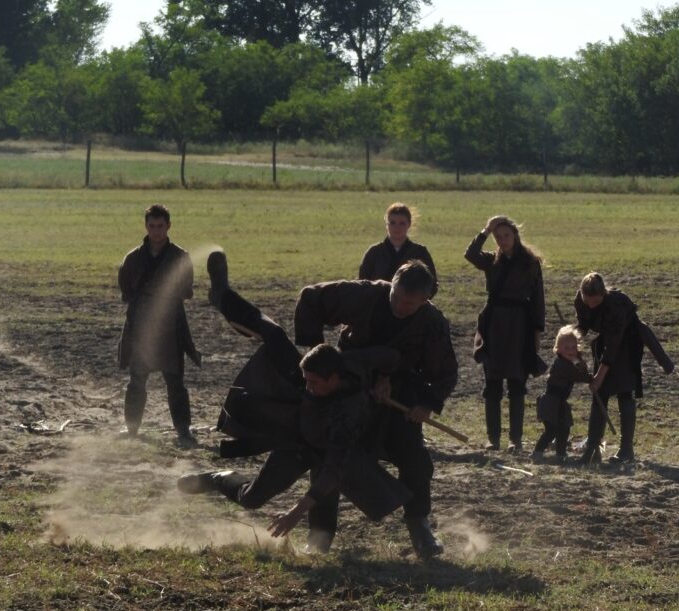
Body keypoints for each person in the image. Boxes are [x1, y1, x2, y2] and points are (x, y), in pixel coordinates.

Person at [177, 250, 409, 541]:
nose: (308, 388)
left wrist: (294, 513)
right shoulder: (328, 370)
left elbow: (333, 472)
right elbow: (390, 358)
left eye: (314, 383)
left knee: (326, 484)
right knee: (251, 498)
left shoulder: (348, 414)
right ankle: (218, 478)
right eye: (306, 380)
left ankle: (319, 541)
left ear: (334, 379)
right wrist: (384, 378)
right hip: (295, 437)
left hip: (322, 446)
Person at [294, 260, 458, 559]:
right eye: (397, 297)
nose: (400, 306)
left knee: (416, 460)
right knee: (328, 455)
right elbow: (311, 298)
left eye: (410, 303)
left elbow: (446, 373)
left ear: (425, 299)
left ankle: (419, 527)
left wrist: (426, 405)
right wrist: (320, 358)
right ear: (391, 284)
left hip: (399, 397)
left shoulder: (433, 322)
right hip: (348, 389)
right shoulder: (365, 294)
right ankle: (319, 535)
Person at [118, 204, 200, 448]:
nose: (156, 231)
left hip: (170, 327)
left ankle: (183, 430)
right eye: (152, 226)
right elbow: (126, 290)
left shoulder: (180, 257)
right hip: (141, 327)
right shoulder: (133, 258)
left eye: (160, 226)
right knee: (137, 380)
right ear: (146, 226)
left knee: (175, 382)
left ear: (168, 226)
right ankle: (132, 429)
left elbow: (186, 290)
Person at [574, 271, 674, 466]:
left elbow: (613, 347)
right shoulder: (581, 300)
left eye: (595, 302)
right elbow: (583, 325)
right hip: (606, 342)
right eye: (588, 302)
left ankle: (626, 450)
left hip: (627, 342)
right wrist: (573, 337)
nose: (591, 305)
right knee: (599, 394)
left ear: (603, 295)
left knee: (624, 391)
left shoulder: (616, 305)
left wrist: (598, 378)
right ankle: (592, 448)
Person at [464, 215, 546, 453]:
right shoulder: (491, 261)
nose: (502, 240)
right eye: (498, 237)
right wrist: (485, 230)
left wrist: (537, 332)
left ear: (515, 235)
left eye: (506, 235)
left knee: (517, 382)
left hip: (520, 326)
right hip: (494, 325)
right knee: (492, 382)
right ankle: (493, 439)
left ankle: (515, 440)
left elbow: (538, 299)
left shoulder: (530, 263)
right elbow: (470, 254)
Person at [532, 325, 591, 463]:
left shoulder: (570, 362)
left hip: (560, 402)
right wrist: (591, 378)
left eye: (573, 347)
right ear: (558, 349)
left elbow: (581, 371)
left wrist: (580, 361)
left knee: (564, 428)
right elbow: (578, 376)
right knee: (551, 430)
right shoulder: (561, 364)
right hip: (550, 402)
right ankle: (537, 452)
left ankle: (560, 454)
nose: (570, 350)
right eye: (566, 347)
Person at [358, 202, 438, 296]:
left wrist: (416, 301)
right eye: (392, 223)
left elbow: (432, 285)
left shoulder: (420, 252)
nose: (397, 227)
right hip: (377, 303)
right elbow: (362, 284)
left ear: (409, 224)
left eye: (402, 223)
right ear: (386, 224)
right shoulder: (374, 252)